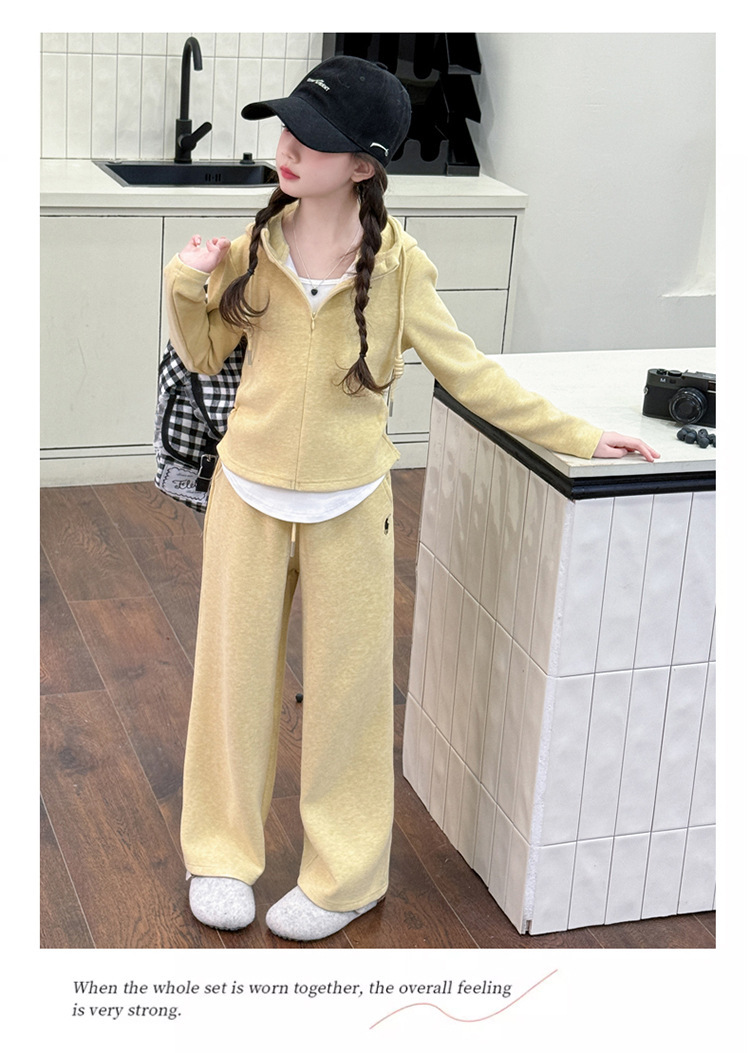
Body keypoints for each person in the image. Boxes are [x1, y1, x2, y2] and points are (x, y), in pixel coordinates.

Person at [163, 55, 659, 943]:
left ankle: (345, 877)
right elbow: (203, 355)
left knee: (350, 700)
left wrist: (581, 435)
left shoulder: (400, 268)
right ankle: (220, 855)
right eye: (287, 128)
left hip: (352, 503)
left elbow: (470, 374)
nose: (288, 148)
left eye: (314, 139)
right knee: (230, 687)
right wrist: (186, 278)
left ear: (363, 164)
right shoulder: (253, 248)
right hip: (247, 495)